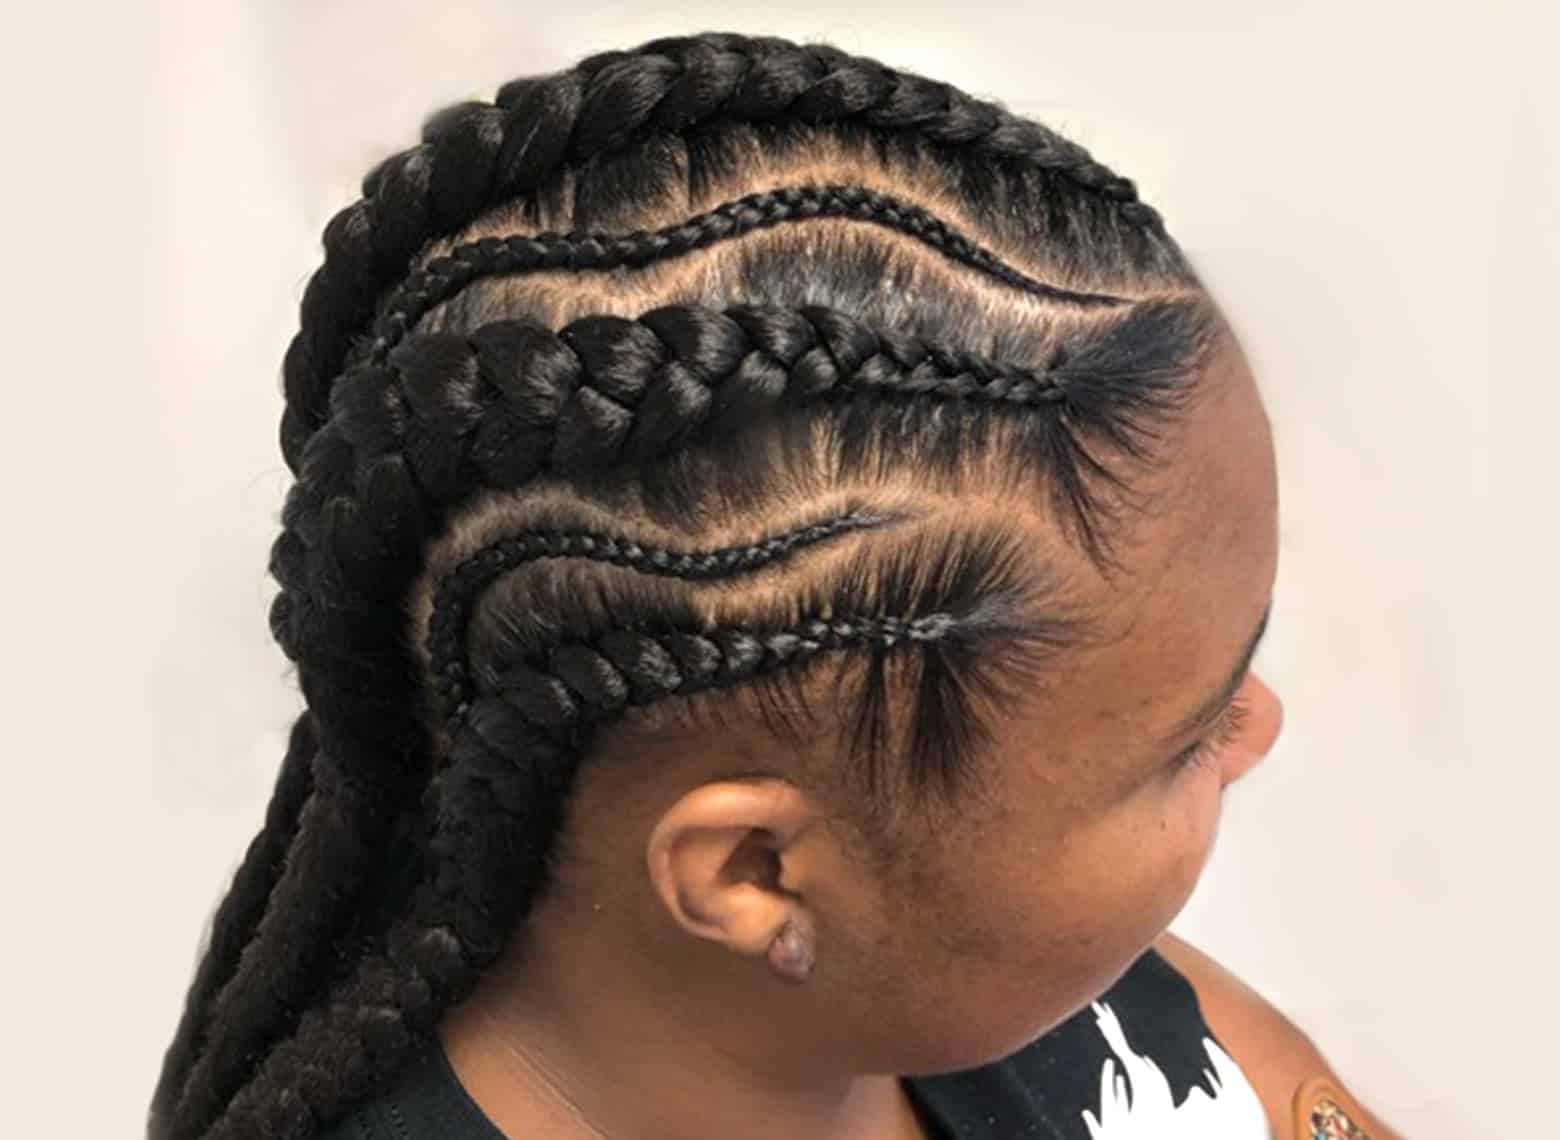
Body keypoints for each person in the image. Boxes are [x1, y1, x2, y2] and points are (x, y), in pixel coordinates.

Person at [148, 30, 1405, 1140]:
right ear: (754, 873)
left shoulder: (1014, 983)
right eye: (1182, 744)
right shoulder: (977, 961)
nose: (1262, 730)